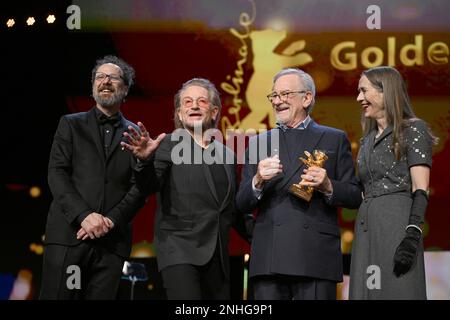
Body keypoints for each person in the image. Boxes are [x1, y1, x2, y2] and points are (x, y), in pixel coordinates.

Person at [40, 55, 163, 299]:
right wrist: (84, 216)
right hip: (69, 237)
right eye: (100, 77)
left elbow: (140, 190)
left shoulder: (136, 134)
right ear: (93, 85)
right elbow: (57, 173)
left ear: (125, 88)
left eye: (113, 77)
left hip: (112, 244)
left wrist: (109, 221)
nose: (105, 81)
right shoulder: (70, 124)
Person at [236, 68, 362, 300]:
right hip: (269, 256)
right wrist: (257, 181)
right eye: (274, 96)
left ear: (307, 98)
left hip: (314, 255)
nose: (278, 101)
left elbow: (354, 196)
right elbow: (242, 202)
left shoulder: (334, 138)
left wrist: (327, 185)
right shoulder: (258, 142)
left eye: (285, 94)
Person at [121, 78, 247, 299]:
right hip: (179, 251)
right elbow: (148, 187)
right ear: (179, 114)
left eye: (201, 101)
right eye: (187, 102)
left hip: (218, 258)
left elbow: (233, 210)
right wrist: (144, 162)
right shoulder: (168, 145)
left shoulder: (227, 155)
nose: (194, 106)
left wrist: (270, 236)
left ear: (215, 111)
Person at [349, 66, 438, 299]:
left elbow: (421, 188)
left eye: (364, 91)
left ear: (384, 91)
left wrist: (412, 235)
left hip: (396, 228)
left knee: (397, 290)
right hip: (367, 228)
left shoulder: (413, 130)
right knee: (368, 292)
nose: (359, 98)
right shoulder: (366, 140)